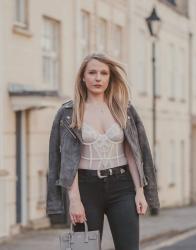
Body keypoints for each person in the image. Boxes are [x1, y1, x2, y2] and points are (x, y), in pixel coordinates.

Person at [47, 53, 160, 250]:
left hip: (122, 187)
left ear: (110, 77)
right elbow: (65, 160)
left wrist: (140, 191)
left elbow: (133, 153)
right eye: (92, 72)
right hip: (85, 188)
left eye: (103, 73)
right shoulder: (68, 113)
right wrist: (74, 200)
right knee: (85, 247)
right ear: (83, 77)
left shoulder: (124, 109)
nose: (98, 78)